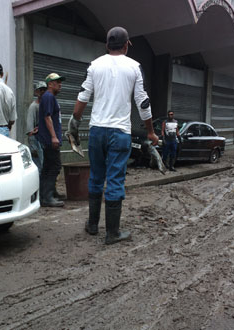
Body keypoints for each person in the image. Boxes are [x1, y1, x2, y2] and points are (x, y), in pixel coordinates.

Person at [69, 26, 159, 244]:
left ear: (107, 45)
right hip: (120, 132)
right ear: (127, 45)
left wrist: (74, 124)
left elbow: (83, 96)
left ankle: (92, 225)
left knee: (96, 177)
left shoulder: (94, 65)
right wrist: (150, 131)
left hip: (97, 131)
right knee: (115, 179)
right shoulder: (135, 67)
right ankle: (112, 233)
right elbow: (143, 102)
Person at [37, 73, 65, 207]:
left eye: (60, 82)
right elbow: (47, 118)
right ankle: (47, 197)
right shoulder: (48, 97)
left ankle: (48, 194)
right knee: (54, 166)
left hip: (50, 138)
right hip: (50, 140)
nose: (60, 84)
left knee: (48, 167)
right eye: (57, 82)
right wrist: (53, 136)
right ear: (50, 84)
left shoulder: (50, 97)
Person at [26, 81, 47, 174]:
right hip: (36, 140)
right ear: (37, 92)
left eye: (44, 90)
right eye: (40, 90)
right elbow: (30, 129)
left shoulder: (46, 105)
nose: (43, 92)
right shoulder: (34, 106)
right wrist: (33, 145)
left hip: (44, 140)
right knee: (39, 165)